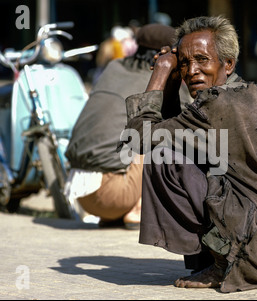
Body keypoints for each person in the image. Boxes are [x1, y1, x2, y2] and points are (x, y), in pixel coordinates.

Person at [122, 16, 257, 292]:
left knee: (162, 159)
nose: (191, 71)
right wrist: (173, 87)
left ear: (228, 64)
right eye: (184, 63)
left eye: (202, 59)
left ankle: (224, 262)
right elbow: (175, 132)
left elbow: (137, 138)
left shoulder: (217, 103)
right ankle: (217, 255)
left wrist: (161, 74)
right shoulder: (251, 92)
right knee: (180, 152)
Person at [64, 23, 191, 229]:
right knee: (168, 137)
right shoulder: (159, 77)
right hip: (116, 192)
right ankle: (138, 209)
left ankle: (119, 212)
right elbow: (188, 121)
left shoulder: (114, 67)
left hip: (81, 194)